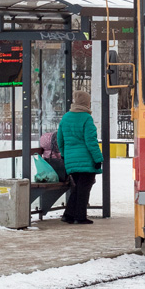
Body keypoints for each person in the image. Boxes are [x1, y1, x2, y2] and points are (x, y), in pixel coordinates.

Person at [56, 90, 104, 224]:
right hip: (86, 160)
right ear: (86, 103)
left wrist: (65, 155)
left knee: (77, 188)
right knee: (84, 188)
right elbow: (91, 141)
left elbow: (60, 139)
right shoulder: (86, 118)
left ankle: (69, 215)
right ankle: (80, 216)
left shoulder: (66, 117)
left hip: (71, 160)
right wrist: (98, 159)